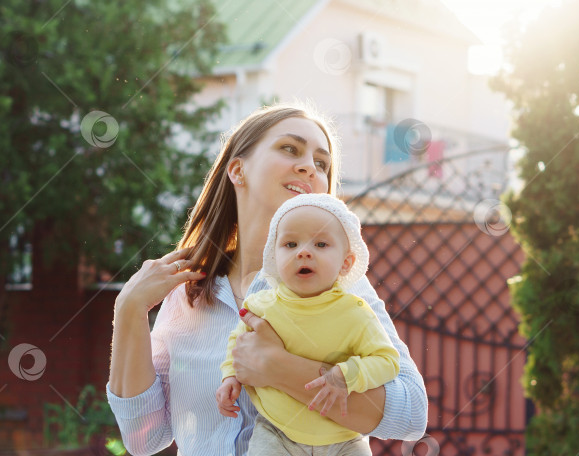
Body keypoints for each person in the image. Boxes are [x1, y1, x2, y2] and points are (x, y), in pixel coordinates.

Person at [106, 103, 428, 456]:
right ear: (237, 170)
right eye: (290, 148)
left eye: (322, 163)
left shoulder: (340, 288)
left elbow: (411, 414)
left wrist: (278, 367)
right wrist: (128, 308)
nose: (309, 167)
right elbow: (143, 439)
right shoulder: (188, 295)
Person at [217, 193, 399, 455]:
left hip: (344, 439)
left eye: (321, 244)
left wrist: (345, 374)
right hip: (276, 432)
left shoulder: (355, 313)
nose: (303, 252)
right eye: (290, 244)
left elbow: (387, 361)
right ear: (274, 258)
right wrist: (229, 376)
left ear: (346, 263)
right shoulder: (261, 306)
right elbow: (238, 341)